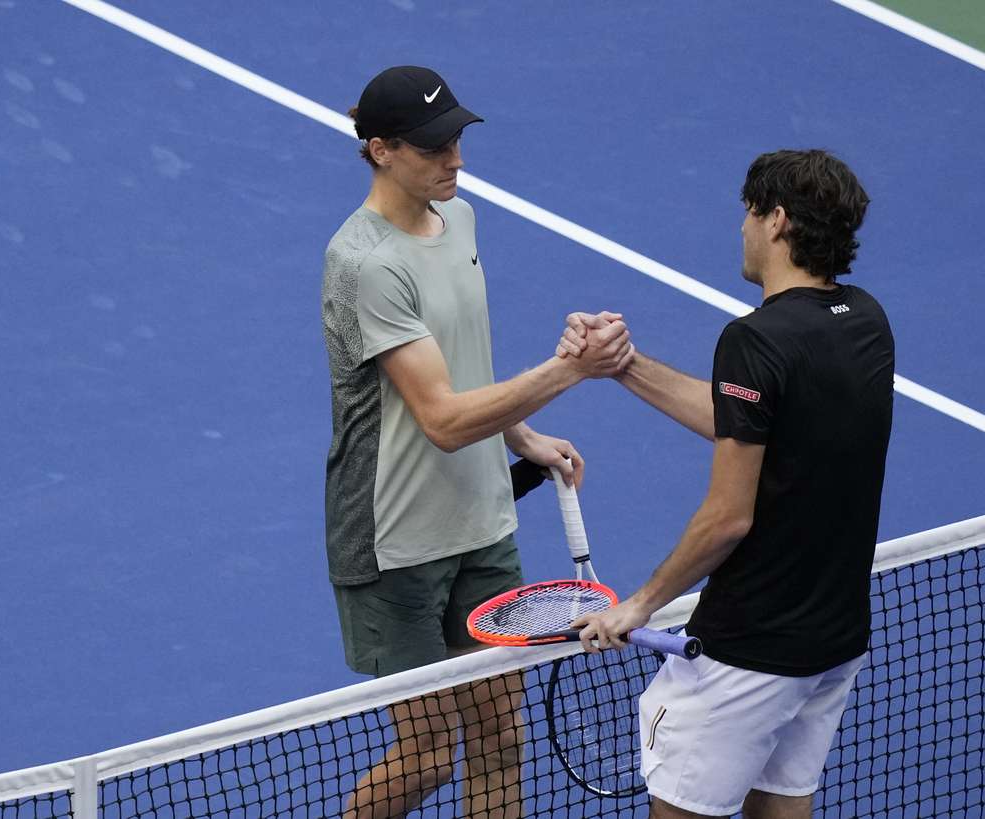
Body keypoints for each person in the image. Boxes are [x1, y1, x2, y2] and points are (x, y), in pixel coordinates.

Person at [321, 65, 633, 818]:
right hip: (393, 540)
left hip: (482, 519)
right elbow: (443, 419)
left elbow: (463, 362)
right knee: (427, 755)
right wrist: (567, 369)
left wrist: (522, 435)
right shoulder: (364, 263)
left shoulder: (458, 218)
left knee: (500, 734)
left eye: (457, 138)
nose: (455, 159)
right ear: (382, 148)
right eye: (434, 147)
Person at [563, 149, 894, 818]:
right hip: (832, 641)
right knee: (783, 805)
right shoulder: (866, 321)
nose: (741, 227)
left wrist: (640, 604)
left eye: (749, 211)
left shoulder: (755, 339)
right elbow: (745, 416)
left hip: (749, 650)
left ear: (776, 221)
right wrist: (624, 366)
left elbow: (728, 516)